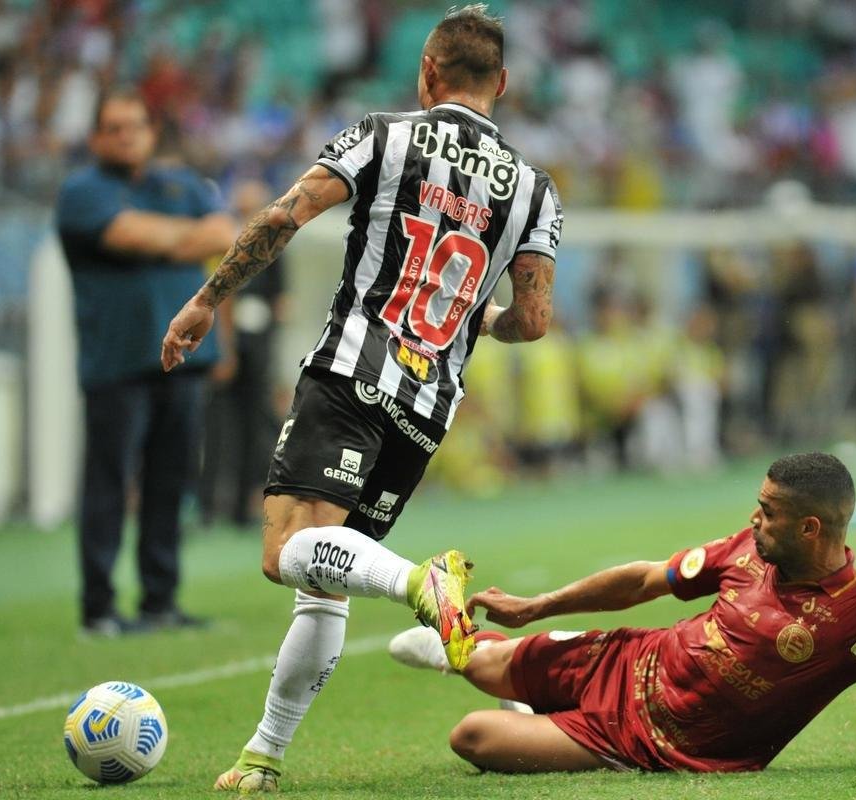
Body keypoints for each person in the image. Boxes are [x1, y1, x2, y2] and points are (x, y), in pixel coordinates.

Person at [159, 5, 562, 792]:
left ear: (427, 73)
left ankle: (420, 583)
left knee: (287, 554)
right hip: (429, 405)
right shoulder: (538, 191)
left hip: (352, 372)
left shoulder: (384, 134)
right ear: (503, 84)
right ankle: (263, 755)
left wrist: (209, 298)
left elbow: (284, 216)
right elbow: (536, 321)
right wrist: (473, 316)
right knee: (326, 576)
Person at [389, 452, 856, 777]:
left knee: (472, 739)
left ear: (812, 528)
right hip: (628, 660)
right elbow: (648, 579)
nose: (754, 518)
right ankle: (472, 653)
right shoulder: (746, 548)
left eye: (768, 512)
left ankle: (531, 710)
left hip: (643, 743)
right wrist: (540, 605)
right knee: (482, 662)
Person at [56, 87, 238, 636]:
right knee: (110, 483)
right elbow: (125, 233)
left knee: (170, 481)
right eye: (114, 127)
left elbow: (225, 235)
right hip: (117, 359)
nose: (127, 135)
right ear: (95, 137)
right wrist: (183, 237)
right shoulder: (82, 191)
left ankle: (160, 600)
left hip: (182, 361)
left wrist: (166, 238)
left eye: (135, 125)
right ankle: (100, 607)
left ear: (151, 131)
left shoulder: (179, 182)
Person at [198, 180, 291, 528]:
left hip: (259, 348)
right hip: (227, 344)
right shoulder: (225, 244)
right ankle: (208, 507)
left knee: (255, 427)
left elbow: (282, 303)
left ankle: (241, 508)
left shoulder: (275, 248)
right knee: (219, 427)